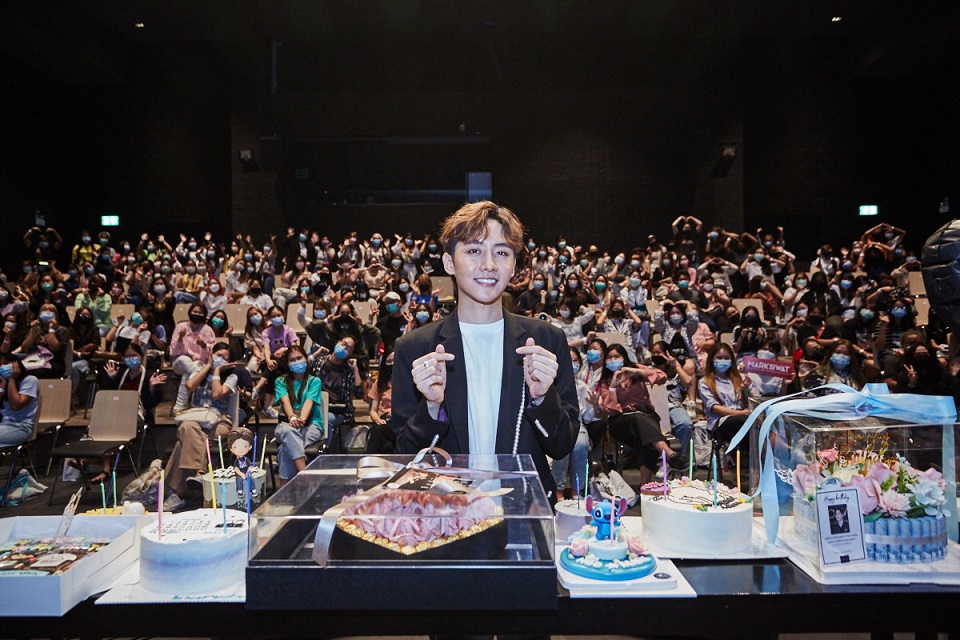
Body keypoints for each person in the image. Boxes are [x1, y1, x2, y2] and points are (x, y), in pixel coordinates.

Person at [391, 201, 578, 500]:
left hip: (524, 508)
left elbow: (561, 445)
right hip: (448, 511)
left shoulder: (547, 340)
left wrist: (543, 398)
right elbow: (405, 455)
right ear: (449, 263)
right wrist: (432, 407)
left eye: (502, 252)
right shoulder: (415, 348)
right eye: (474, 250)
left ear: (513, 266)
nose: (489, 264)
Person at [162, 342, 241, 511]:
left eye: (225, 357)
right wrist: (209, 367)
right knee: (188, 427)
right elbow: (190, 386)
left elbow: (217, 394)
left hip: (220, 421)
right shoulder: (200, 372)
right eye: (218, 355)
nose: (221, 358)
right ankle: (200, 472)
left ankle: (176, 492)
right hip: (195, 418)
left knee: (184, 442)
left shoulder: (232, 377)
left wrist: (217, 372)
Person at [599, 343, 680, 484]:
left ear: (624, 358)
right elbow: (611, 410)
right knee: (638, 420)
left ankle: (645, 486)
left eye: (616, 356)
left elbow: (662, 377)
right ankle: (668, 453)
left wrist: (637, 371)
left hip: (645, 417)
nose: (613, 360)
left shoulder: (635, 369)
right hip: (620, 421)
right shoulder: (606, 381)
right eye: (609, 357)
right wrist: (613, 387)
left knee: (645, 437)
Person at [272, 346, 325, 485]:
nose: (297, 362)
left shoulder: (314, 381)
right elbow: (285, 401)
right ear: (287, 364)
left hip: (312, 424)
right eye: (292, 360)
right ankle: (304, 475)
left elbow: (309, 402)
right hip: (287, 424)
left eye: (299, 358)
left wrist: (302, 419)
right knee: (288, 431)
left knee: (285, 448)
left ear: (306, 359)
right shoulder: (280, 381)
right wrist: (292, 417)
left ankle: (284, 490)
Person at [550, 348, 596, 498]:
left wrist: (594, 405)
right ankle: (558, 490)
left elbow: (588, 417)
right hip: (555, 425)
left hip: (577, 424)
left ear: (580, 364)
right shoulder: (551, 385)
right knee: (561, 443)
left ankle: (577, 490)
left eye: (575, 360)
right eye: (568, 359)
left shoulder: (583, 387)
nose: (571, 363)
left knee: (580, 445)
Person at [698, 343, 752, 464]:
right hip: (719, 423)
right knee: (745, 422)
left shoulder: (740, 378)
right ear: (712, 359)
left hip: (743, 417)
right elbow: (715, 408)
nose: (723, 361)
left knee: (762, 425)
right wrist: (740, 413)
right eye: (719, 357)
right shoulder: (705, 382)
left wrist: (745, 390)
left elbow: (750, 401)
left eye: (726, 358)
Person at [169, 303, 216, 413]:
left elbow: (210, 355)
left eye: (200, 312)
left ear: (204, 315)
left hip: (199, 363)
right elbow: (173, 352)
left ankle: (179, 407)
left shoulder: (207, 330)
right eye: (194, 311)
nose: (197, 314)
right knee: (184, 359)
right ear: (190, 312)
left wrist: (203, 346)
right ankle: (197, 376)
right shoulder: (180, 327)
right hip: (179, 363)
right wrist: (180, 339)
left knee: (188, 374)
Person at [0, 359, 39, 447]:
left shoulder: (30, 380)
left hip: (20, 427)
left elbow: (15, 406)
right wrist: (2, 384)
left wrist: (12, 379)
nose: (2, 367)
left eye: (6, 363)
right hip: (3, 424)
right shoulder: (4, 382)